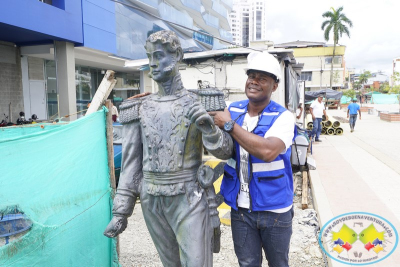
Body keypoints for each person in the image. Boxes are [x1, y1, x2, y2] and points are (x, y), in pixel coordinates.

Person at [103, 30, 233, 267]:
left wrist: (210, 130)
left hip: (189, 196)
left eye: (160, 56)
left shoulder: (202, 101)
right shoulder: (139, 107)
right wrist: (122, 211)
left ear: (177, 56)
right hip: (152, 198)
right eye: (149, 56)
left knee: (196, 263)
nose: (153, 63)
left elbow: (226, 152)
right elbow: (132, 162)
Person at [210, 51, 295, 267]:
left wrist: (229, 125)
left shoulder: (283, 117)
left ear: (274, 86)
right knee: (247, 263)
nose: (254, 82)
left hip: (274, 209)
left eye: (262, 78)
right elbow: (198, 107)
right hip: (241, 209)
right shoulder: (233, 109)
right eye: (251, 76)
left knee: (279, 263)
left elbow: (267, 152)